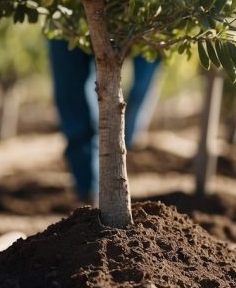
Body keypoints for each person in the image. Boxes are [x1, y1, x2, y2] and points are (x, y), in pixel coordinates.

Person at [48, 39, 161, 203]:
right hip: (69, 19)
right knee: (73, 102)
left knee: (143, 77)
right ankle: (88, 192)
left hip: (140, 19)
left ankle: (124, 142)